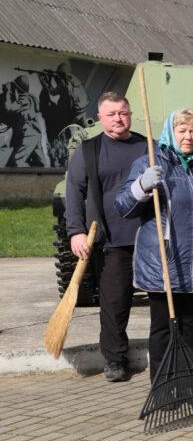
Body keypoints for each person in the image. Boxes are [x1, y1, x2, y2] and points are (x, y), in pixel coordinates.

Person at [115, 108, 193, 382]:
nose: (188, 136)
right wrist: (142, 185)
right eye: (182, 130)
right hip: (164, 263)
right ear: (170, 133)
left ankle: (188, 382)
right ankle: (163, 384)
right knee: (163, 329)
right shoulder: (149, 163)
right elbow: (123, 206)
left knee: (190, 327)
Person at [65, 92, 148, 382]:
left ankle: (166, 352)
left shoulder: (146, 145)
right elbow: (73, 192)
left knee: (164, 298)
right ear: (100, 118)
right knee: (115, 300)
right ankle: (114, 359)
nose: (118, 118)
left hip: (149, 235)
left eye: (123, 112)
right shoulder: (89, 150)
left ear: (130, 114)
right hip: (111, 238)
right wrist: (75, 231)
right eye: (111, 114)